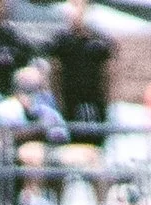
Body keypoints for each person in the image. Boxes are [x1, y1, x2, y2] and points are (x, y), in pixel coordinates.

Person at [44, 0, 114, 135]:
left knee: (93, 139)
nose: (75, 12)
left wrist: (107, 102)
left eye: (80, 6)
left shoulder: (99, 41)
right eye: (73, 6)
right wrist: (59, 103)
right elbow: (54, 73)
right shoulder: (61, 41)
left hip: (94, 104)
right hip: (69, 103)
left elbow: (108, 75)